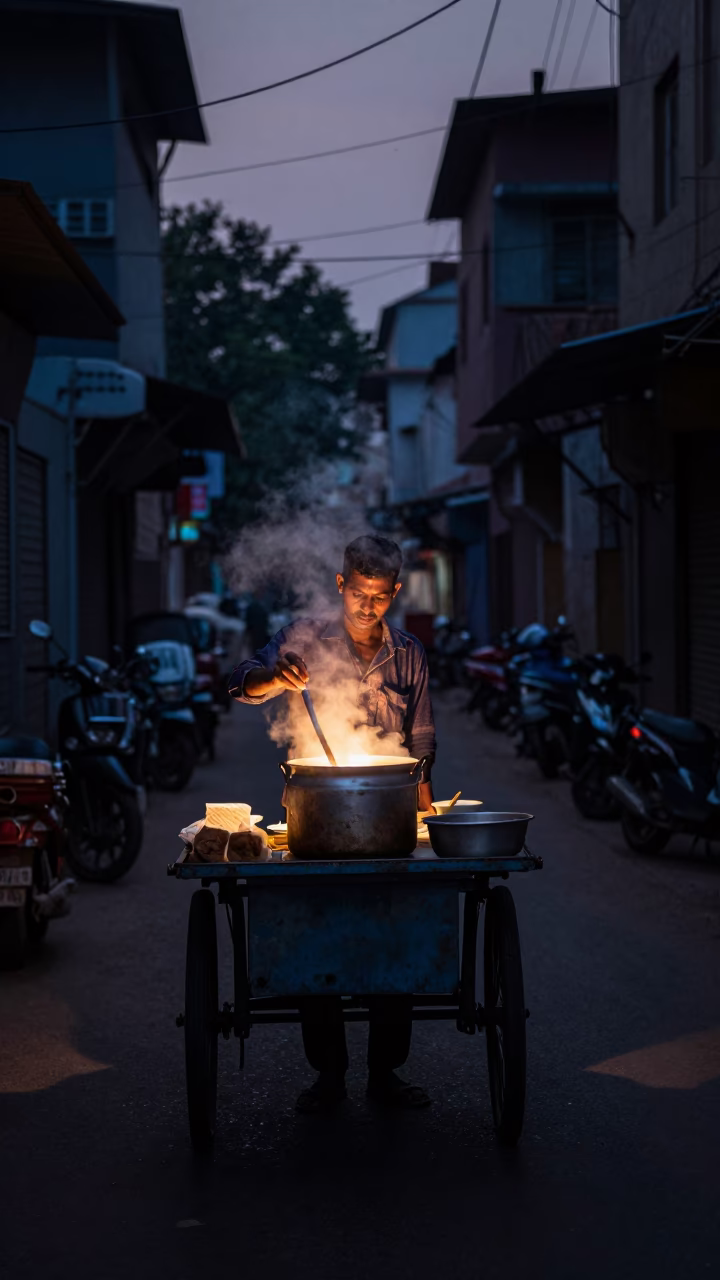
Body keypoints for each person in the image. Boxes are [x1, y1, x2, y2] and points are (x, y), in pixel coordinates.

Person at [229, 534, 436, 1112]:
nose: (367, 607)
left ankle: (384, 1073)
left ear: (394, 592)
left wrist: (426, 818)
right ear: (341, 585)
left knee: (392, 939)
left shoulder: (410, 653)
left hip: (391, 818)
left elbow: (421, 741)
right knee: (317, 936)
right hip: (315, 816)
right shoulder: (304, 640)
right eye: (358, 593)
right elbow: (241, 679)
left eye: (380, 597)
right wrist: (273, 679)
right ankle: (328, 1075)